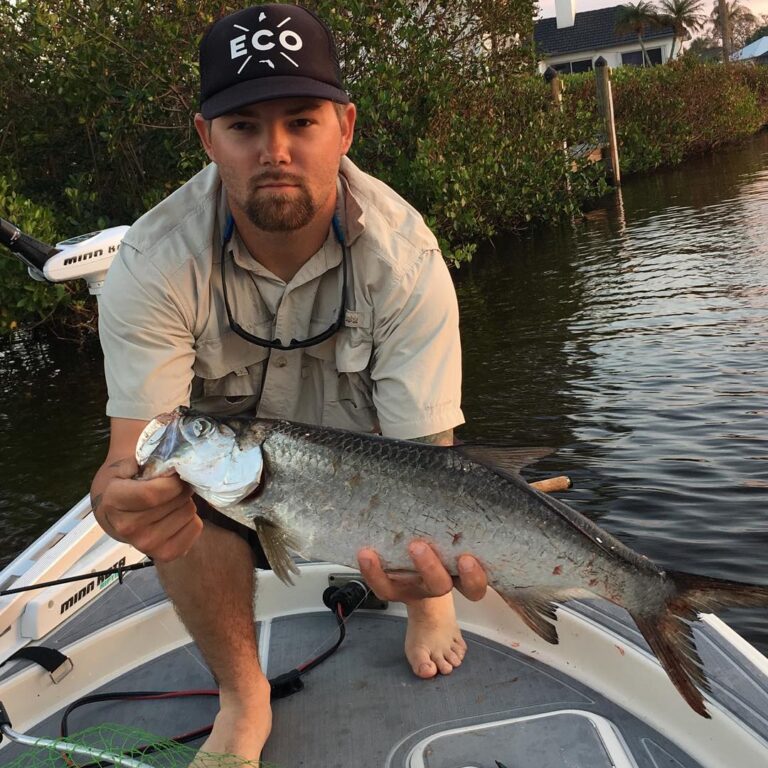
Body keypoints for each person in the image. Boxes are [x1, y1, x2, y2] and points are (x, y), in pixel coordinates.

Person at [90, 4, 488, 763]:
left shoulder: (407, 259)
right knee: (176, 499)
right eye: (243, 127)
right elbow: (128, 457)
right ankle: (245, 696)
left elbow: (431, 460)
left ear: (346, 126)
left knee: (431, 528)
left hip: (373, 455)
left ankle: (429, 607)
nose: (274, 150)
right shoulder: (152, 261)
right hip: (234, 470)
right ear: (207, 140)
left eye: (301, 121)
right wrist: (117, 501)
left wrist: (426, 574)